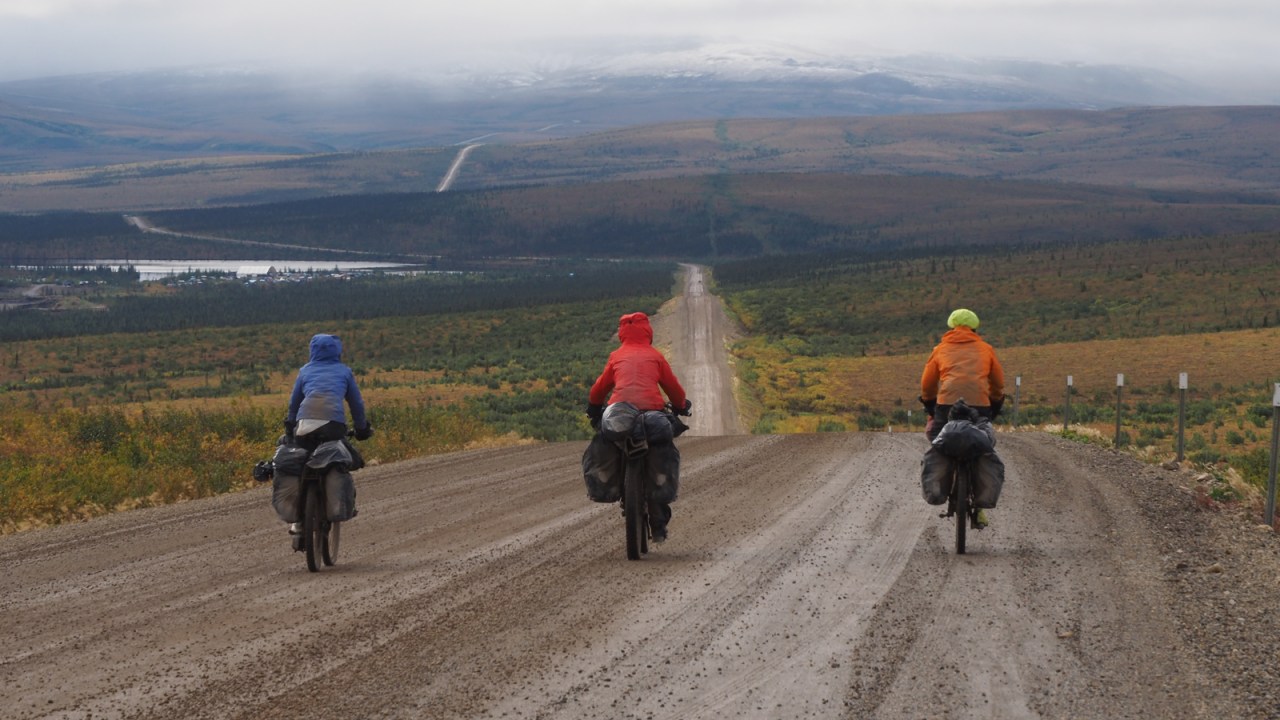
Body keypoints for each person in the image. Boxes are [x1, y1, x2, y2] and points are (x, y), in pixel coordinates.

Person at [586, 312, 690, 542]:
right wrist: (681, 405)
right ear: (647, 332)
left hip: (619, 413)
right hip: (652, 412)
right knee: (661, 447)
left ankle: (613, 484)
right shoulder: (655, 356)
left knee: (609, 440)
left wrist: (593, 407)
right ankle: (659, 515)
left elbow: (599, 389)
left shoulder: (616, 356)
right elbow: (674, 389)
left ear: (622, 332)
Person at [919, 309, 1005, 528]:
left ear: (951, 327)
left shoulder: (940, 349)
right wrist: (995, 403)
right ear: (975, 328)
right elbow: (998, 384)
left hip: (946, 405)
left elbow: (927, 384)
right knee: (983, 443)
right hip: (979, 405)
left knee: (937, 437)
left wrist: (930, 404)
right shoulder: (986, 349)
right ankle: (980, 506)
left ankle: (945, 481)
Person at [283, 333, 373, 533]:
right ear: (337, 351)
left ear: (312, 350)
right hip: (333, 425)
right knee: (339, 459)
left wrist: (290, 426)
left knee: (302, 462)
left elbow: (294, 403)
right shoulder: (344, 372)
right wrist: (361, 429)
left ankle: (298, 520)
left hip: (304, 425)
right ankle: (339, 504)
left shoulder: (305, 371)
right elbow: (356, 404)